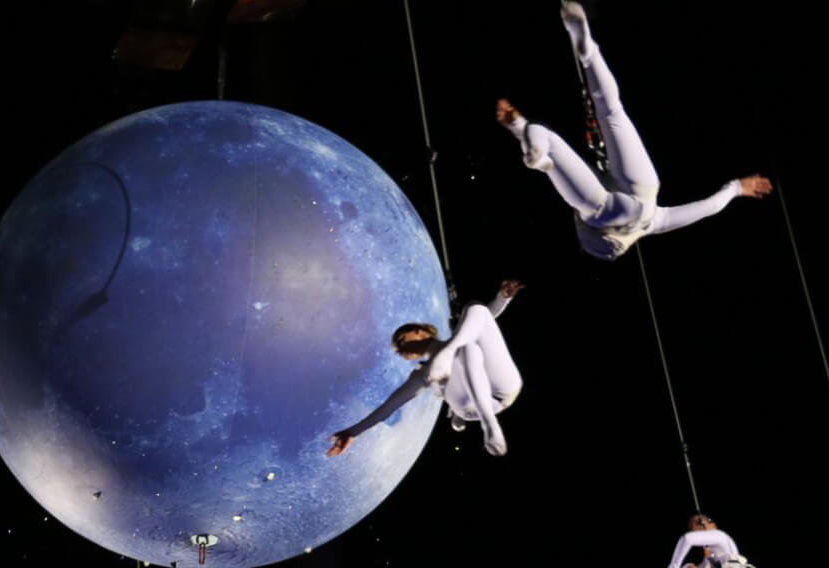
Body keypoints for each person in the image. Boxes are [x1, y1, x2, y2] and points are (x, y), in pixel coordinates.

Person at [497, 2, 772, 261]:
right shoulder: (609, 223)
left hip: (645, 191)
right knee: (545, 138)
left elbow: (708, 207)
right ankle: (536, 149)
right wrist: (520, 129)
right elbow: (707, 209)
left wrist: (736, 188)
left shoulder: (656, 221)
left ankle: (589, 52)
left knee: (612, 110)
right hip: (603, 214)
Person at [328, 280, 523, 458]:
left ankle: (462, 413)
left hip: (502, 386)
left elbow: (483, 317)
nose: (401, 348)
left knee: (474, 313)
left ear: (419, 332)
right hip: (475, 406)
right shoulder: (422, 375)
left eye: (402, 340)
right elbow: (388, 407)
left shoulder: (457, 341)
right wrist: (353, 432)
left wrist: (502, 298)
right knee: (451, 359)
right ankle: (480, 421)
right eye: (398, 349)